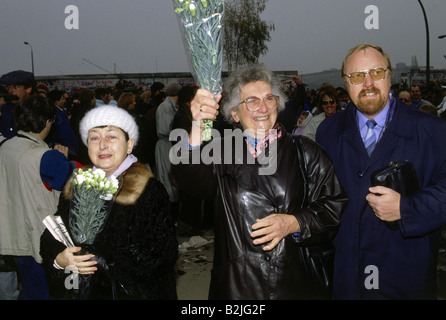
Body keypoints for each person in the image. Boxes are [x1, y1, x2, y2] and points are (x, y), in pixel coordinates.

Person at [171, 63, 347, 299]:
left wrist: (294, 223)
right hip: (238, 284)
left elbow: (333, 207)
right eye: (251, 101)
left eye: (269, 99)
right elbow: (188, 180)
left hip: (293, 282)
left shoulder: (306, 152)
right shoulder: (221, 153)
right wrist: (196, 127)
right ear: (234, 113)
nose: (263, 108)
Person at [316, 43, 446, 299]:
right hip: (347, 281)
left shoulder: (432, 131)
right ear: (346, 83)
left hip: (406, 280)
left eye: (376, 72)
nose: (367, 83)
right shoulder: (328, 132)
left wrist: (407, 209)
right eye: (356, 76)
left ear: (389, 76)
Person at [40, 105, 178, 300]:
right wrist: (59, 259)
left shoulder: (148, 190)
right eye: (94, 138)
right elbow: (52, 234)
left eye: (111, 137)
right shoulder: (78, 185)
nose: (102, 145)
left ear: (129, 144)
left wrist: (102, 260)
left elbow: (164, 254)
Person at [0, 95, 79, 300]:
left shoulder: (5, 147)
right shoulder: (46, 157)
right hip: (38, 240)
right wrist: (63, 158)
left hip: (12, 235)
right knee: (44, 292)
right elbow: (72, 181)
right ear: (47, 122)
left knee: (29, 289)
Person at [155, 81, 182, 218]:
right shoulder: (166, 107)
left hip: (168, 145)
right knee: (167, 179)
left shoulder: (170, 106)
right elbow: (164, 129)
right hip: (166, 146)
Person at [0, 70, 35, 139]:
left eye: (15, 87)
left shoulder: (38, 110)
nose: (10, 91)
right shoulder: (4, 109)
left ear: (28, 89)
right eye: (8, 87)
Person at [46, 89, 79, 159]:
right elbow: (64, 134)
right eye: (62, 99)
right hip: (66, 149)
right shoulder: (58, 115)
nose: (65, 101)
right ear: (56, 102)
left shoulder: (59, 112)